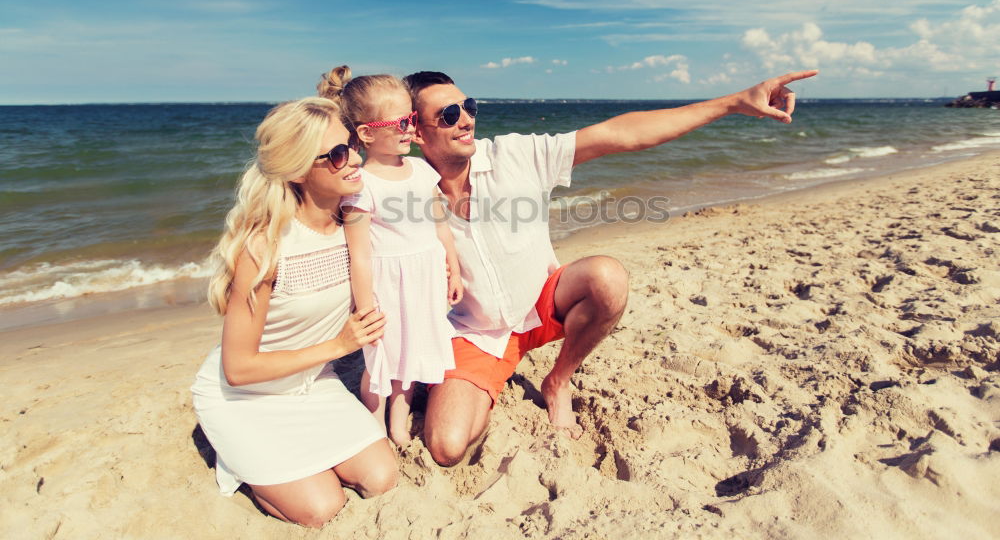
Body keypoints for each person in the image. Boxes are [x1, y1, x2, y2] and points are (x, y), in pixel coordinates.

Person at [402, 68, 818, 466]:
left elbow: (622, 133)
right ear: (417, 131)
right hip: (477, 332)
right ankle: (485, 374)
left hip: (544, 304)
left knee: (608, 277)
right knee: (446, 446)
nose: (467, 120)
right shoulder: (404, 190)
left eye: (469, 106)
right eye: (450, 114)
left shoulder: (515, 155)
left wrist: (733, 103)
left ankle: (558, 381)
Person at [191, 97, 398, 527]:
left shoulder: (354, 225)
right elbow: (238, 368)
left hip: (310, 385)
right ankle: (239, 461)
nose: (355, 158)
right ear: (300, 170)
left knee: (382, 478)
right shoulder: (265, 248)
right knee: (321, 508)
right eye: (338, 154)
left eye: (351, 146)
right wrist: (339, 345)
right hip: (245, 397)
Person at [317, 66, 463, 446]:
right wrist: (365, 306)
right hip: (387, 286)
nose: (409, 129)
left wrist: (454, 269)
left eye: (412, 119)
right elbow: (360, 254)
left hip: (425, 277)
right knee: (381, 360)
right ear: (366, 133)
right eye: (400, 122)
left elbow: (440, 226)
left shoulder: (420, 170)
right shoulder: (362, 185)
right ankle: (374, 421)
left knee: (411, 357)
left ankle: (399, 421)